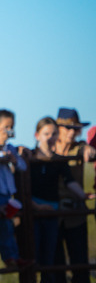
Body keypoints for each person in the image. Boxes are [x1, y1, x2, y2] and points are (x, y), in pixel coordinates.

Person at [27, 117, 90, 283]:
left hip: (52, 213)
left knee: (50, 258)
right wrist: (35, 206)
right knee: (35, 257)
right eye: (46, 133)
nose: (50, 137)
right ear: (37, 135)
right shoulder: (29, 158)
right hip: (34, 212)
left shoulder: (59, 160)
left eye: (53, 133)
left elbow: (70, 181)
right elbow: (23, 188)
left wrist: (84, 195)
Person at [52, 107, 94, 283]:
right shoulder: (47, 148)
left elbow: (88, 151)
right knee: (55, 264)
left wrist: (89, 151)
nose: (71, 132)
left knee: (80, 263)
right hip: (51, 213)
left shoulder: (80, 148)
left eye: (75, 128)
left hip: (75, 214)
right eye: (67, 128)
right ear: (58, 128)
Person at [0, 109, 26, 268]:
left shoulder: (11, 147)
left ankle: (14, 256)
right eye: (5, 127)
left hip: (8, 192)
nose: (8, 131)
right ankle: (9, 257)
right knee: (3, 225)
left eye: (11, 127)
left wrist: (14, 160)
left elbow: (23, 166)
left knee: (9, 225)